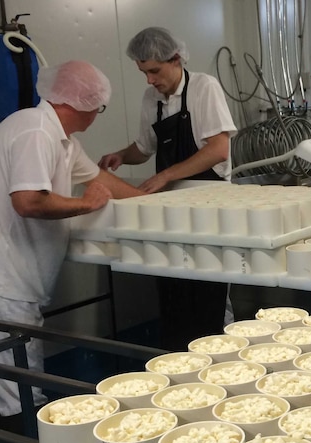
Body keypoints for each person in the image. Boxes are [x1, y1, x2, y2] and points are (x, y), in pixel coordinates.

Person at [0, 60, 148, 443]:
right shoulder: (35, 133)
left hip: (16, 279)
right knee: (17, 386)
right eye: (98, 108)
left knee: (20, 378)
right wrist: (84, 206)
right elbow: (29, 201)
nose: (99, 115)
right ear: (84, 105)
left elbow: (100, 180)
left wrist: (156, 200)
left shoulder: (60, 137)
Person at [99, 27, 238, 351]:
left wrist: (166, 176)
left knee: (210, 290)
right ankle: (179, 359)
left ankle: (222, 357)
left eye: (154, 71)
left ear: (175, 59)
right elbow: (145, 147)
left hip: (209, 206)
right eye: (144, 72)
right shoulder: (152, 98)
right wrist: (121, 154)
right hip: (173, 211)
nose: (149, 80)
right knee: (174, 287)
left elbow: (218, 149)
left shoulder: (204, 87)